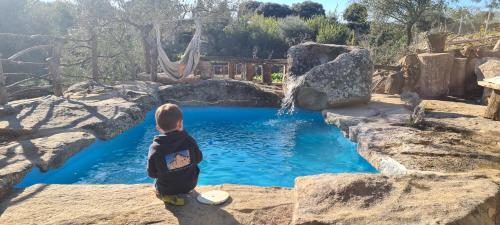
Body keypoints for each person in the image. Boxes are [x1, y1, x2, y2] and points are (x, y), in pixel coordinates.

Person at [147, 103, 202, 206]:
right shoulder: (189, 141)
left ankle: (167, 196)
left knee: (155, 185)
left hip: (167, 189)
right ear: (180, 124)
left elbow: (152, 174)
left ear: (158, 127)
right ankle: (185, 191)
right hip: (190, 184)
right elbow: (199, 158)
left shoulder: (155, 148)